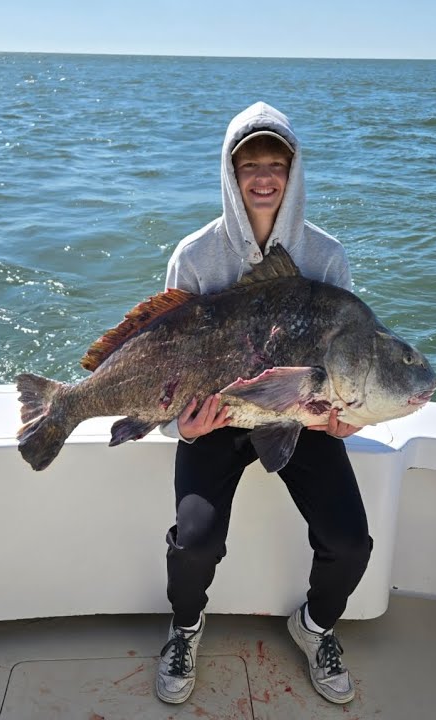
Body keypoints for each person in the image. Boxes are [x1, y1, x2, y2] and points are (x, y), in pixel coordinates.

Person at [154, 102, 371, 706]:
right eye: (249, 164)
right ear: (231, 173)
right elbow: (165, 356)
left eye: (277, 164)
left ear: (294, 172)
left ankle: (315, 626)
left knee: (351, 542)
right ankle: (185, 627)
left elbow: (346, 355)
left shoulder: (326, 256)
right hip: (219, 420)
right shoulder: (193, 256)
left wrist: (345, 414)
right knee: (195, 541)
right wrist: (184, 426)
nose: (264, 177)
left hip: (298, 418)